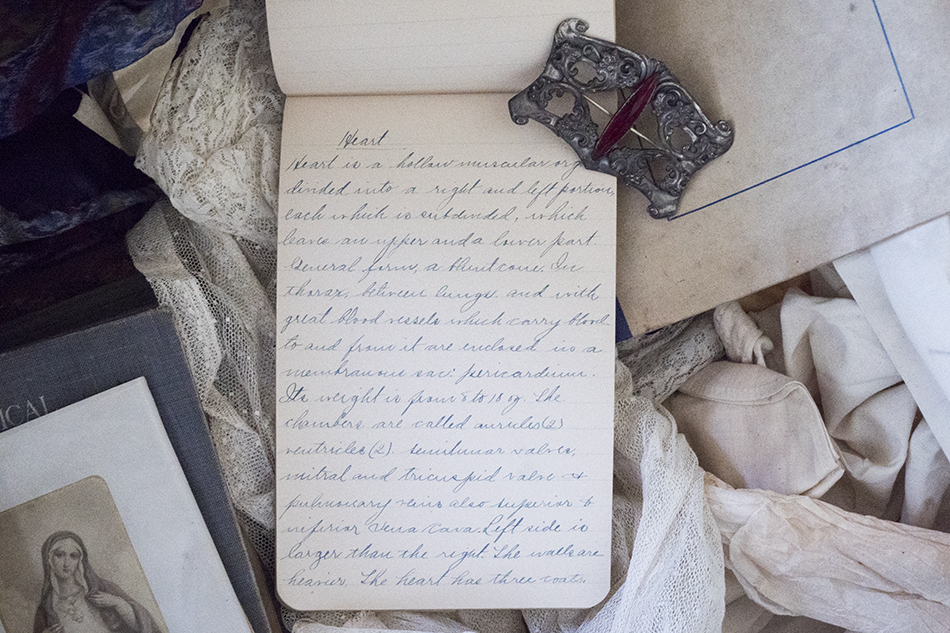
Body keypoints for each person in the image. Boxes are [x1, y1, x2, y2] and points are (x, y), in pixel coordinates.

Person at [33, 531, 161, 633]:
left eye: (73, 556)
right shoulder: (46, 608)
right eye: (60, 555)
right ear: (49, 559)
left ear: (80, 560)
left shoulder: (102, 589)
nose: (66, 563)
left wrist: (118, 603)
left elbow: (142, 626)